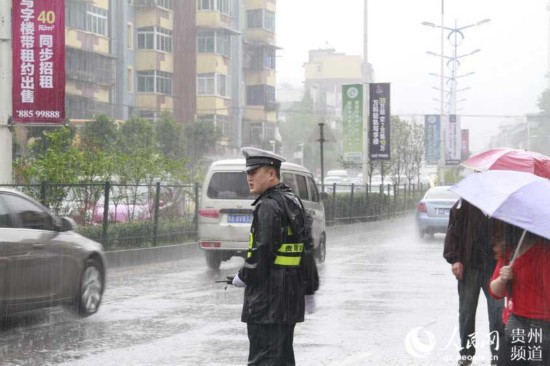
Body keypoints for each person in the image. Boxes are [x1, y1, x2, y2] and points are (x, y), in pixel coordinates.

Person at [230, 147, 308, 366]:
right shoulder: (291, 200)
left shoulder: (268, 206)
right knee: (282, 359)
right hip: (288, 298)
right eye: (248, 173)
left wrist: (244, 276)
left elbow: (262, 251)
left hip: (268, 302)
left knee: (263, 360)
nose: (249, 177)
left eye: (255, 172)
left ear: (271, 174)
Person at [444, 198, 504, 365]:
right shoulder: (464, 204)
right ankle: (466, 353)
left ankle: (498, 355)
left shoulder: (501, 203)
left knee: (498, 313)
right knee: (466, 312)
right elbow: (453, 232)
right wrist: (455, 259)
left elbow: (510, 233)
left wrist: (504, 249)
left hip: (494, 267)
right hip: (469, 266)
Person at [489, 228, 550, 365]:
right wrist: (502, 278)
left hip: (543, 330)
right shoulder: (510, 253)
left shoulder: (545, 252)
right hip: (515, 326)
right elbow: (495, 292)